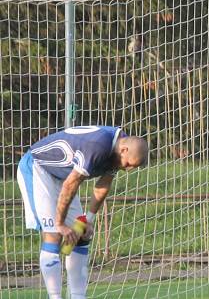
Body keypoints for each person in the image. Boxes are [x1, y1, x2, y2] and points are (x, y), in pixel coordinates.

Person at [16, 126, 148, 299]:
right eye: (130, 164)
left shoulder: (118, 149)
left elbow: (102, 186)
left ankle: (78, 296)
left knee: (81, 234)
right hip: (38, 169)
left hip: (61, 179)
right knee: (54, 235)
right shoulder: (98, 146)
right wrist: (60, 223)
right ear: (124, 150)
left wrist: (88, 219)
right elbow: (71, 185)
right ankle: (55, 297)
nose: (129, 169)